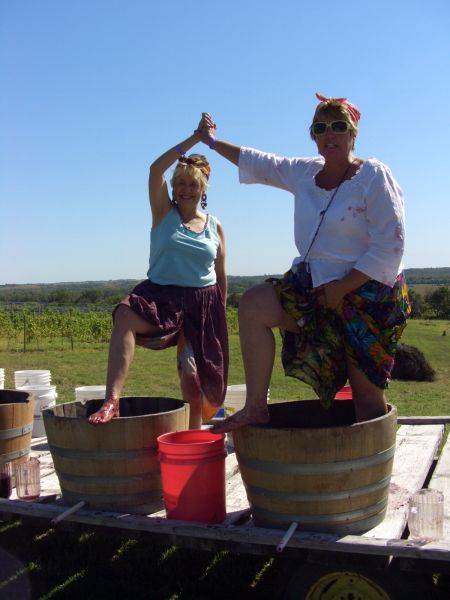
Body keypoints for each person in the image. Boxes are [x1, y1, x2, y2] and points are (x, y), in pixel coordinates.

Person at [195, 94, 411, 433]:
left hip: (368, 296)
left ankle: (376, 465)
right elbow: (262, 163)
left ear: (353, 133)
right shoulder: (305, 172)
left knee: (367, 399)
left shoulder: (373, 175)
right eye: (320, 128)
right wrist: (210, 141)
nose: (329, 134)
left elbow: (390, 245)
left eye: (338, 126)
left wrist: (342, 288)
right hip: (315, 291)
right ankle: (256, 407)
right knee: (254, 304)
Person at [89, 132, 228, 429]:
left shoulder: (215, 226)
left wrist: (220, 312)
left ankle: (193, 439)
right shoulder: (163, 212)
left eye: (193, 184)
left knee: (193, 378)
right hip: (161, 299)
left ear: (203, 188)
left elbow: (220, 274)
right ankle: (112, 400)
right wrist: (196, 138)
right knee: (125, 315)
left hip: (203, 304)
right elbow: (155, 169)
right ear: (173, 187)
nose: (186, 189)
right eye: (181, 183)